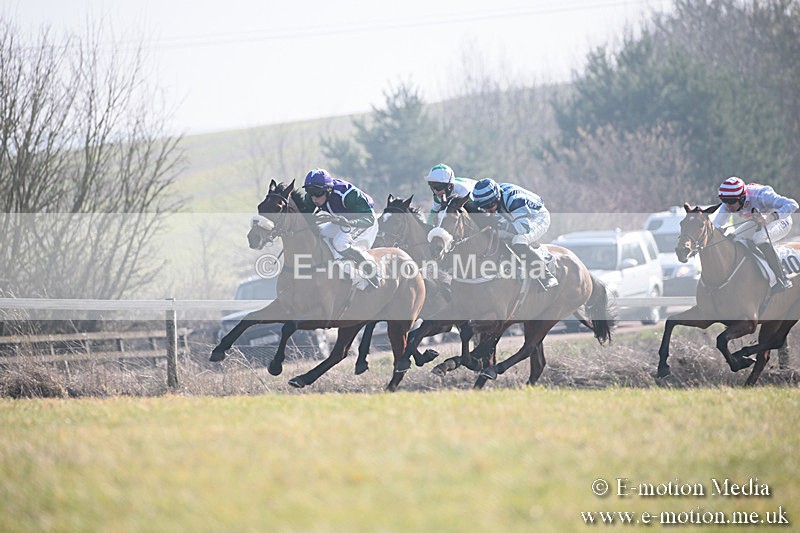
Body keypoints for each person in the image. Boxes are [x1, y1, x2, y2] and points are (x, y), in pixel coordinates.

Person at [713, 176, 798, 293]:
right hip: (757, 222)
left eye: (731, 202)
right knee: (734, 239)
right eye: (725, 201)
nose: (728, 206)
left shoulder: (761, 195)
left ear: (742, 198)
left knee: (758, 238)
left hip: (782, 220)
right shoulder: (729, 201)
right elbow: (715, 226)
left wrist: (770, 217)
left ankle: (782, 278)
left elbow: (793, 204)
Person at [471, 177, 558, 290]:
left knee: (518, 241)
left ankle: (546, 275)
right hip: (515, 216)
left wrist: (501, 225)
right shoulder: (491, 197)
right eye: (483, 207)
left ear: (497, 198)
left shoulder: (514, 200)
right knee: (495, 235)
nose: (487, 210)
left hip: (536, 217)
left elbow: (523, 228)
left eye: (489, 206)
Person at [300, 168, 381, 289]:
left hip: (364, 222)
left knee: (339, 243)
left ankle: (372, 270)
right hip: (343, 222)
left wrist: (349, 222)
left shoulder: (347, 194)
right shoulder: (313, 197)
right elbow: (303, 217)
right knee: (321, 233)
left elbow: (369, 218)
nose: (314, 198)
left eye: (317, 193)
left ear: (328, 190)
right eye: (310, 192)